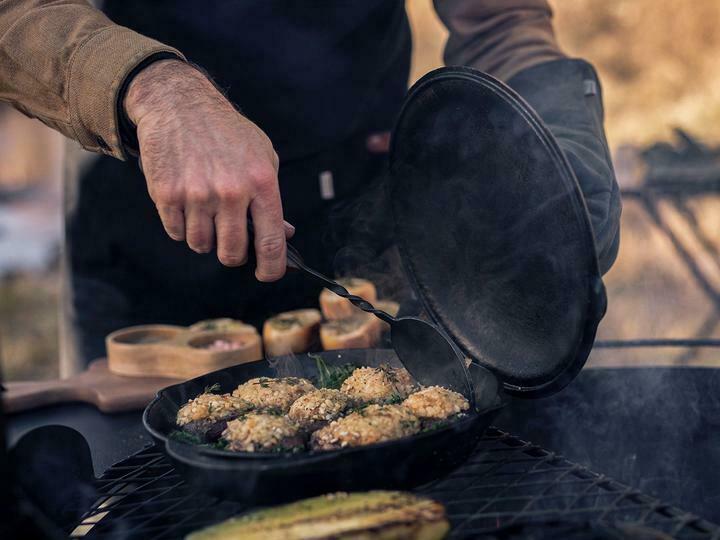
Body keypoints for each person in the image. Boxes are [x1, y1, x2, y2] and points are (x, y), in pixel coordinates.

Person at [0, 1, 620, 365]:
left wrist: (556, 127)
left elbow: (502, 21)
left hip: (365, 209)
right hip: (148, 216)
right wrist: (159, 91)